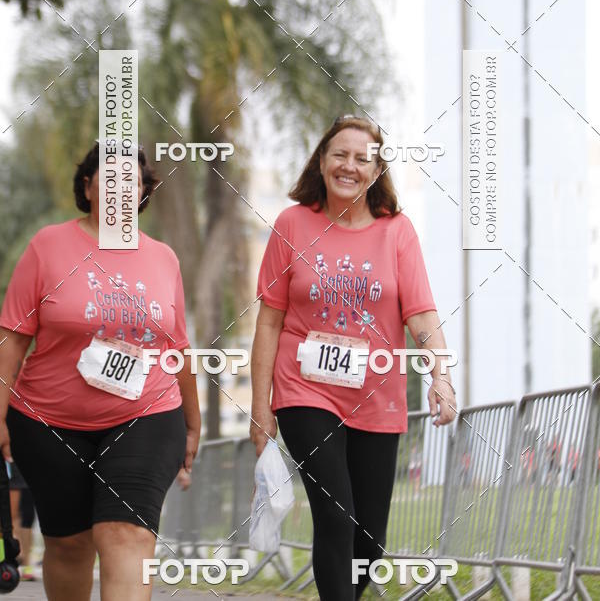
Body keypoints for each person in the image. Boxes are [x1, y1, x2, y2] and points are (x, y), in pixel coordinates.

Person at [249, 115, 455, 600]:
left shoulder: (397, 232)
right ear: (321, 162)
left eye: (363, 159)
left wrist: (441, 377)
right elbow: (269, 323)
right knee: (335, 514)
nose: (350, 166)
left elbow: (422, 317)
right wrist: (261, 408)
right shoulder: (292, 224)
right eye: (340, 154)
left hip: (377, 400)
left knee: (369, 542)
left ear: (377, 171)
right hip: (306, 392)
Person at [0, 143, 201, 601]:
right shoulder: (47, 246)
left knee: (125, 534)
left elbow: (176, 345)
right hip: (47, 421)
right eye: (108, 178)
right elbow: (11, 337)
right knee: (70, 544)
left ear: (144, 191)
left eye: (130, 179)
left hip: (147, 415)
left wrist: (192, 420)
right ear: (88, 187)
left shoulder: (163, 258)